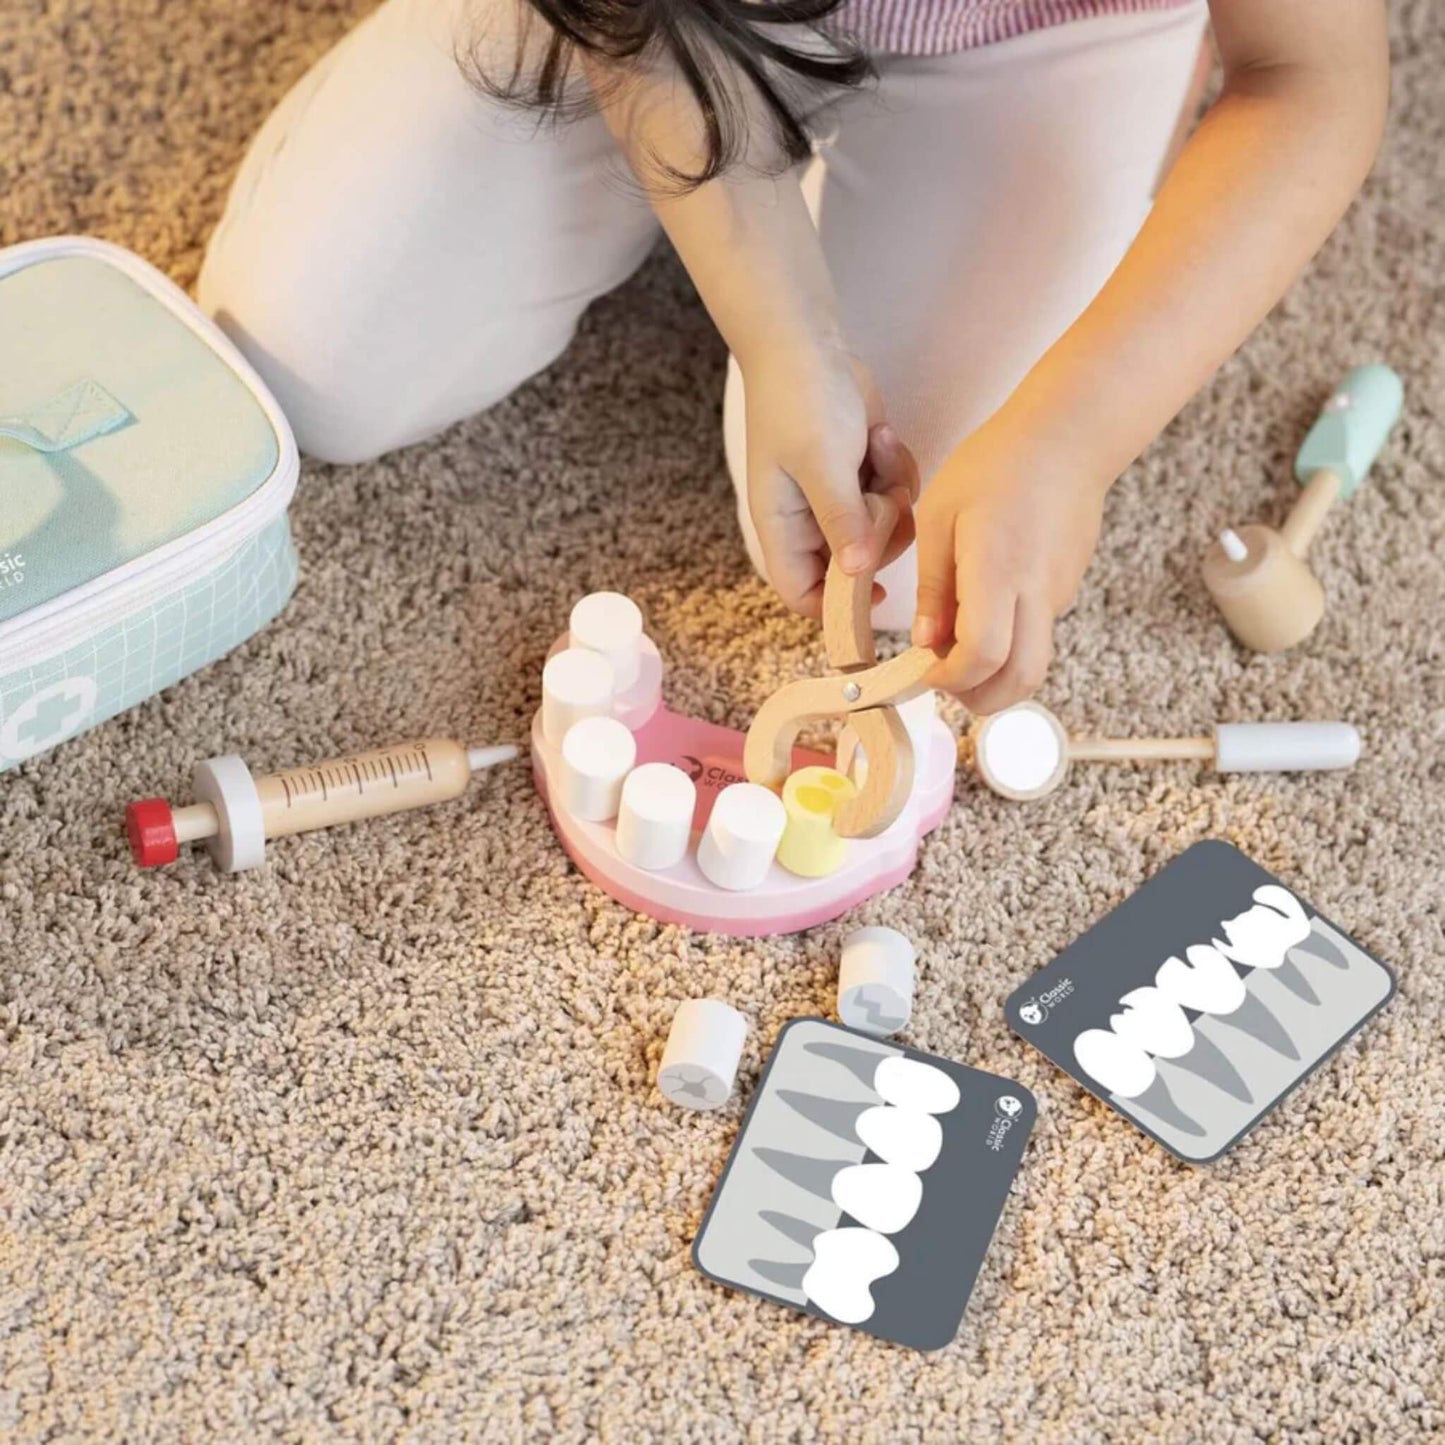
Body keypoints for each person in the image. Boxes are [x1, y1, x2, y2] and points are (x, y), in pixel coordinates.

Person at [198, 0, 1388, 712]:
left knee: (913, 581)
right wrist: (781, 329)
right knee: (306, 372)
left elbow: (1308, 81)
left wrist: (1066, 439)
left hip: (1053, 23)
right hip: (681, 25)